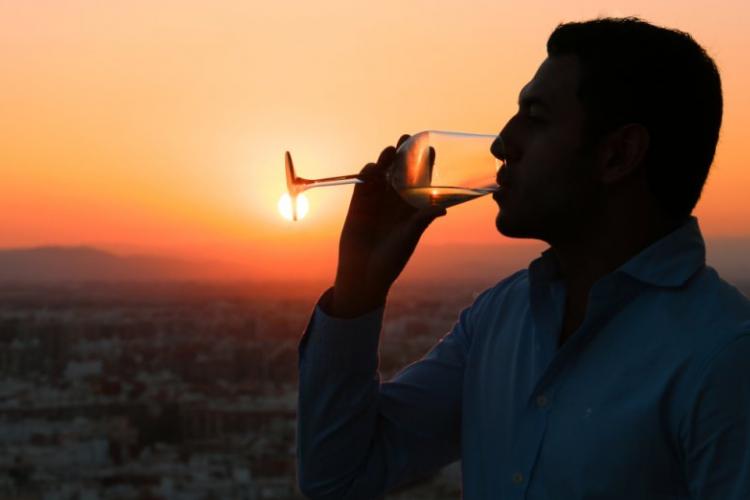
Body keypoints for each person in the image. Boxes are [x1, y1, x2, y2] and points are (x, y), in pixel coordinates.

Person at [297, 17, 750, 499]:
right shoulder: (499, 319)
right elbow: (337, 477)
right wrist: (357, 292)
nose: (500, 143)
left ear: (617, 155)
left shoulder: (722, 359)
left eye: (534, 118)